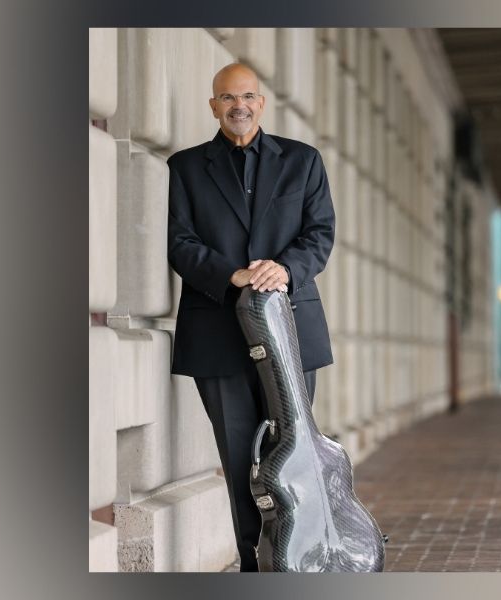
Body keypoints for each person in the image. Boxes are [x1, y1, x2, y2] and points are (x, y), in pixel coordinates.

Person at [166, 62, 336, 572]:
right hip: (216, 332)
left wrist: (282, 268)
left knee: (296, 454)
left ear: (261, 102)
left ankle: (304, 558)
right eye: (226, 97)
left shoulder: (303, 161)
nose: (237, 105)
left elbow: (320, 233)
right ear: (213, 105)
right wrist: (232, 275)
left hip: (291, 331)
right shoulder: (185, 168)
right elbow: (178, 242)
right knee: (241, 459)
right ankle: (255, 564)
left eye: (247, 96)